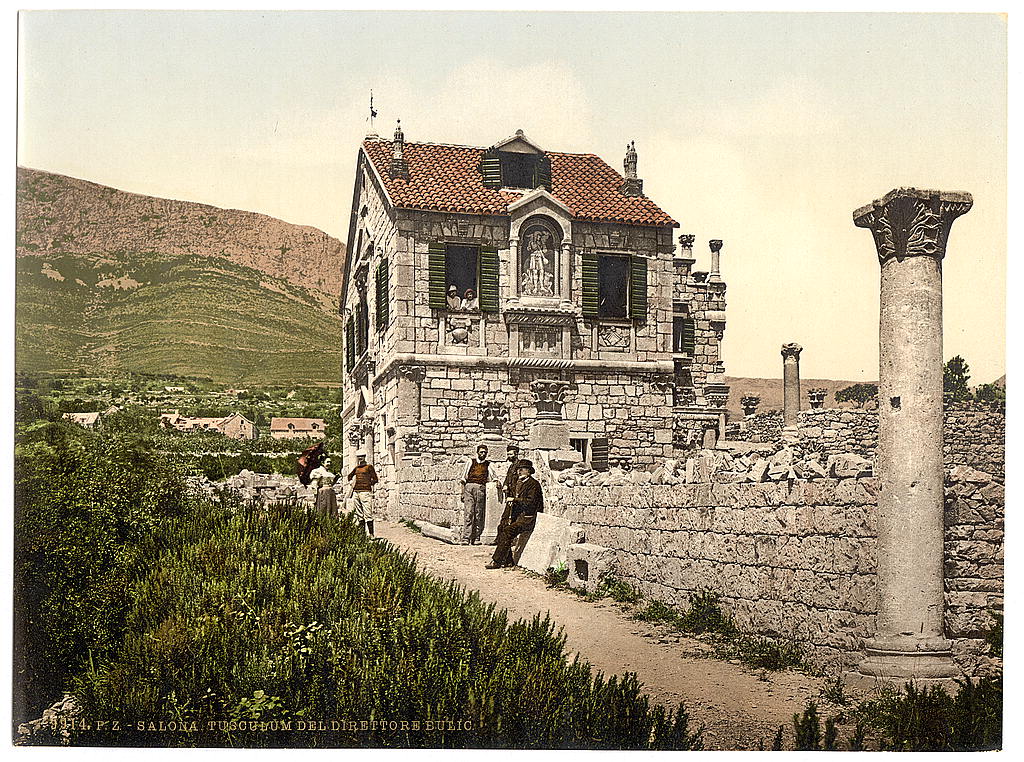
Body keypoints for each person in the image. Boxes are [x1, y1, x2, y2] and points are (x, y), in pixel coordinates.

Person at [487, 459, 543, 569]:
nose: (519, 472)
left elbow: (530, 503)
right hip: (519, 516)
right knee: (502, 527)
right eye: (518, 470)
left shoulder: (533, 484)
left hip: (528, 518)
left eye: (522, 470)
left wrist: (515, 500)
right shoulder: (519, 483)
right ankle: (508, 561)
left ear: (529, 471)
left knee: (508, 531)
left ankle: (496, 561)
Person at [460, 444, 490, 545]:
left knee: (478, 513)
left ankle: (476, 537)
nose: (483, 454)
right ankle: (466, 537)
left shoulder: (488, 464)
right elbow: (463, 478)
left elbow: (492, 477)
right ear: (477, 453)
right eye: (481, 452)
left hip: (481, 488)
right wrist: (462, 492)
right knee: (469, 513)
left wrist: (497, 481)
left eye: (485, 452)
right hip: (469, 488)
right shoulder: (470, 462)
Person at [347, 451, 379, 537]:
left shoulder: (369, 467)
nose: (360, 458)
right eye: (358, 457)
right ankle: (361, 535)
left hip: (365, 492)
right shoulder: (356, 468)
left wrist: (368, 484)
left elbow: (375, 479)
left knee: (368, 513)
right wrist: (351, 483)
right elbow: (349, 476)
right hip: (356, 492)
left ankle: (371, 534)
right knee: (359, 514)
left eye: (361, 457)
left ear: (365, 457)